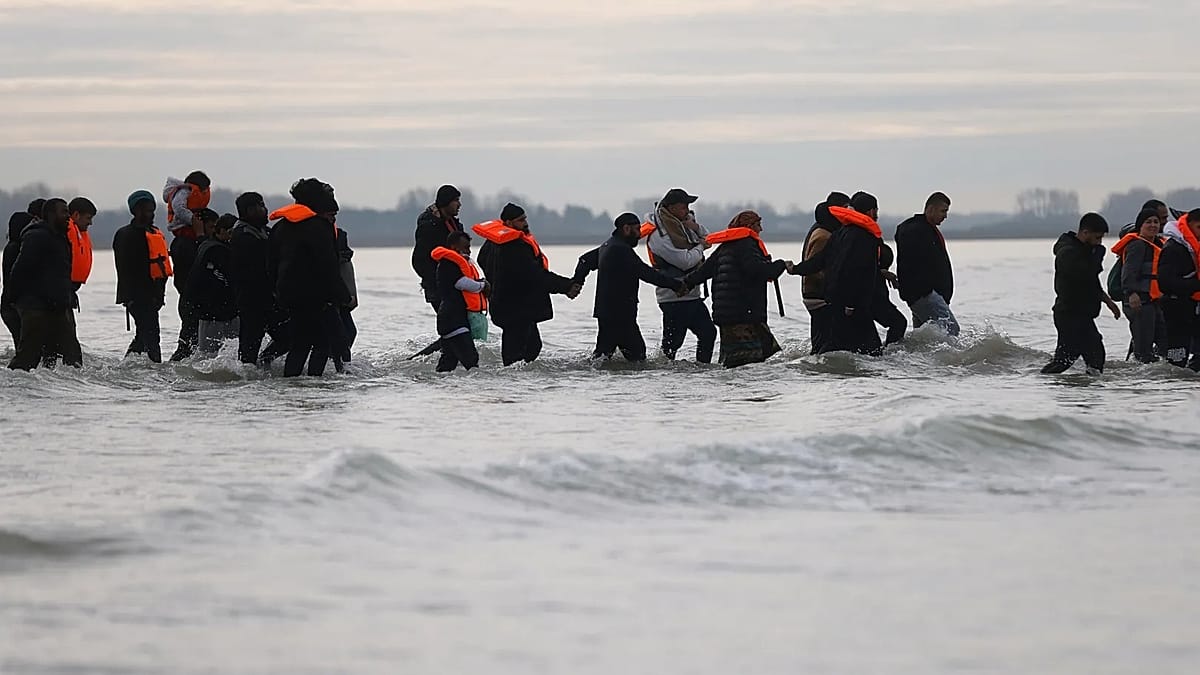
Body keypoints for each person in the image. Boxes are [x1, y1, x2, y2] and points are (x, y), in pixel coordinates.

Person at [474, 202, 579, 366]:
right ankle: (512, 383)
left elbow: (482, 260)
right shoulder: (515, 246)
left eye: (525, 218)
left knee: (533, 346)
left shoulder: (492, 242)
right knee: (515, 354)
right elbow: (536, 276)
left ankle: (522, 384)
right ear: (508, 223)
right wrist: (566, 286)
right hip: (515, 308)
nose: (525, 223)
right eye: (520, 220)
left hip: (508, 305)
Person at [682, 210, 789, 368]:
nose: (761, 229)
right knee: (749, 362)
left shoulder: (725, 247)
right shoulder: (747, 245)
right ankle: (747, 390)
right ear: (749, 226)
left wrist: (683, 285)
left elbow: (703, 272)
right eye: (758, 225)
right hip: (744, 314)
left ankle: (730, 388)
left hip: (727, 314)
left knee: (738, 360)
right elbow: (757, 270)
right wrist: (781, 265)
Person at [266, 178, 350, 377]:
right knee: (322, 343)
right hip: (316, 297)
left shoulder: (280, 227)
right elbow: (328, 266)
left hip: (289, 295)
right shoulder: (319, 228)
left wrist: (277, 291)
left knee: (299, 344)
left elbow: (270, 264)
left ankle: (292, 381)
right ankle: (314, 383)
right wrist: (343, 296)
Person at [582, 213, 687, 362]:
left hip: (606, 312)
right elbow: (646, 273)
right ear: (626, 229)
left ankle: (596, 379)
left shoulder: (608, 246)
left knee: (602, 356)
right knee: (638, 357)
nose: (639, 235)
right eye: (637, 230)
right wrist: (675, 285)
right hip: (620, 314)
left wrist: (577, 281)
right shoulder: (621, 250)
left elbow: (584, 261)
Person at [6, 198, 82, 370]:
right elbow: (20, 270)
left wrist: (68, 296)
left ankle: (70, 391)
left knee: (71, 355)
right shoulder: (36, 236)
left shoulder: (61, 238)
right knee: (28, 356)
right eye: (64, 212)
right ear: (50, 214)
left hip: (58, 306)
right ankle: (13, 386)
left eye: (68, 212)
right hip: (36, 307)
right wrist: (16, 299)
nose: (68, 216)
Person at [1041, 213, 1121, 374]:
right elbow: (1086, 274)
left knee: (1092, 356)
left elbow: (1091, 282)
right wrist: (1098, 254)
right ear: (1085, 233)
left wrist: (1108, 301)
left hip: (1081, 314)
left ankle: (1088, 391)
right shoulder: (1068, 253)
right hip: (1069, 314)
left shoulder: (1085, 251)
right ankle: (1044, 383)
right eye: (1097, 238)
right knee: (1066, 359)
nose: (1100, 242)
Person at [646, 188, 717, 363]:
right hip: (673, 298)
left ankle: (702, 369)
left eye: (688, 206)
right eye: (683, 206)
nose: (687, 209)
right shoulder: (659, 234)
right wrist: (700, 247)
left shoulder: (682, 225)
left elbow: (708, 237)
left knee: (709, 333)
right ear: (670, 208)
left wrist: (696, 227)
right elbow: (684, 261)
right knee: (672, 344)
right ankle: (665, 372)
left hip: (692, 296)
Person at [821, 193, 887, 355]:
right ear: (871, 211)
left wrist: (795, 269)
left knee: (837, 344)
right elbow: (852, 270)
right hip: (854, 305)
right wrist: (850, 303)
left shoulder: (841, 232)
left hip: (838, 300)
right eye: (876, 210)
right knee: (873, 350)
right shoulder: (863, 236)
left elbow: (821, 259)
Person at [114, 190, 171, 363]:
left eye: (152, 210)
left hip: (153, 296)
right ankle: (157, 372)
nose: (150, 214)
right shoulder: (125, 235)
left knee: (143, 337)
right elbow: (124, 269)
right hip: (137, 297)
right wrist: (129, 298)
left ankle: (126, 365)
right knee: (152, 337)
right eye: (146, 210)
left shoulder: (154, 233)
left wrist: (159, 295)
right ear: (135, 211)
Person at [229, 191, 283, 365]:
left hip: (268, 300)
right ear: (249, 210)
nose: (265, 209)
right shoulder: (242, 236)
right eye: (261, 206)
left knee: (288, 336)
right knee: (249, 349)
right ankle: (251, 371)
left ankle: (263, 363)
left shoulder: (263, 231)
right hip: (251, 300)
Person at [895, 192, 959, 335]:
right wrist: (925, 291)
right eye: (943, 211)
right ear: (930, 209)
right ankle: (949, 357)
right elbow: (912, 262)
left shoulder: (927, 230)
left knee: (923, 337)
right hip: (925, 295)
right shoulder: (915, 229)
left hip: (925, 295)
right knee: (951, 330)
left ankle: (917, 357)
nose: (945, 216)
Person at [795, 193, 849, 354]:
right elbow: (814, 267)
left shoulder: (820, 229)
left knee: (820, 342)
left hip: (814, 294)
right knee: (827, 343)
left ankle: (816, 372)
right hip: (818, 295)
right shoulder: (824, 235)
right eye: (845, 209)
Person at [1111, 208, 1166, 363]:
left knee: (1164, 341)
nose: (1153, 225)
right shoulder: (1137, 246)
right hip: (1139, 301)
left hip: (1154, 301)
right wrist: (1131, 293)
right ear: (1140, 226)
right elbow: (1128, 272)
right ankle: (1138, 378)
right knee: (1143, 345)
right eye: (1148, 222)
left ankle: (1161, 374)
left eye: (1156, 222)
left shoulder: (1159, 245)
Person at [432, 231, 488, 372]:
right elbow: (461, 283)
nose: (468, 251)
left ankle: (441, 388)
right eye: (465, 247)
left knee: (448, 361)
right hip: (453, 320)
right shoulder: (448, 263)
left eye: (469, 247)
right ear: (453, 246)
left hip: (451, 320)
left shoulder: (454, 263)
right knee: (471, 359)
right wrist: (482, 285)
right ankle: (478, 387)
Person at [169, 206, 218, 360]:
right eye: (211, 227)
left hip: (202, 303)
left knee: (197, 347)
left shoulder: (205, 244)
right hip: (191, 302)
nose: (214, 231)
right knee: (187, 347)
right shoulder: (184, 244)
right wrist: (201, 236)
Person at [187, 214, 239, 356]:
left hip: (207, 310)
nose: (233, 237)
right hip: (216, 311)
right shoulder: (218, 251)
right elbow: (229, 279)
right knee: (211, 354)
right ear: (220, 230)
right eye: (230, 233)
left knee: (207, 354)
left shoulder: (206, 245)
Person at [1158, 209, 1200, 369]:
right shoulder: (1173, 248)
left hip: (1194, 309)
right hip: (1176, 309)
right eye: (1199, 227)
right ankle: (1173, 391)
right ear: (1188, 226)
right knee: (1177, 360)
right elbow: (1165, 283)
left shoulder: (1196, 248)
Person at [413, 185, 465, 311]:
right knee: (453, 325)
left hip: (457, 283)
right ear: (445, 202)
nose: (459, 205)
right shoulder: (429, 226)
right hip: (438, 288)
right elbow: (419, 260)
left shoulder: (453, 224)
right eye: (456, 200)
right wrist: (437, 281)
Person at [2, 198, 45, 347]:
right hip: (15, 306)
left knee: (23, 345)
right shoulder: (17, 249)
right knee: (27, 347)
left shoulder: (11, 247)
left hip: (9, 305)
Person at [334, 228, 359, 365]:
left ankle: (341, 366)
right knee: (343, 335)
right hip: (333, 298)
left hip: (342, 298)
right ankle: (340, 366)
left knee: (349, 332)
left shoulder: (343, 258)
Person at [66, 197, 96, 293]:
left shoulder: (80, 232)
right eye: (88, 218)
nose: (90, 223)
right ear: (76, 215)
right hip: (63, 287)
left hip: (70, 288)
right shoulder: (65, 230)